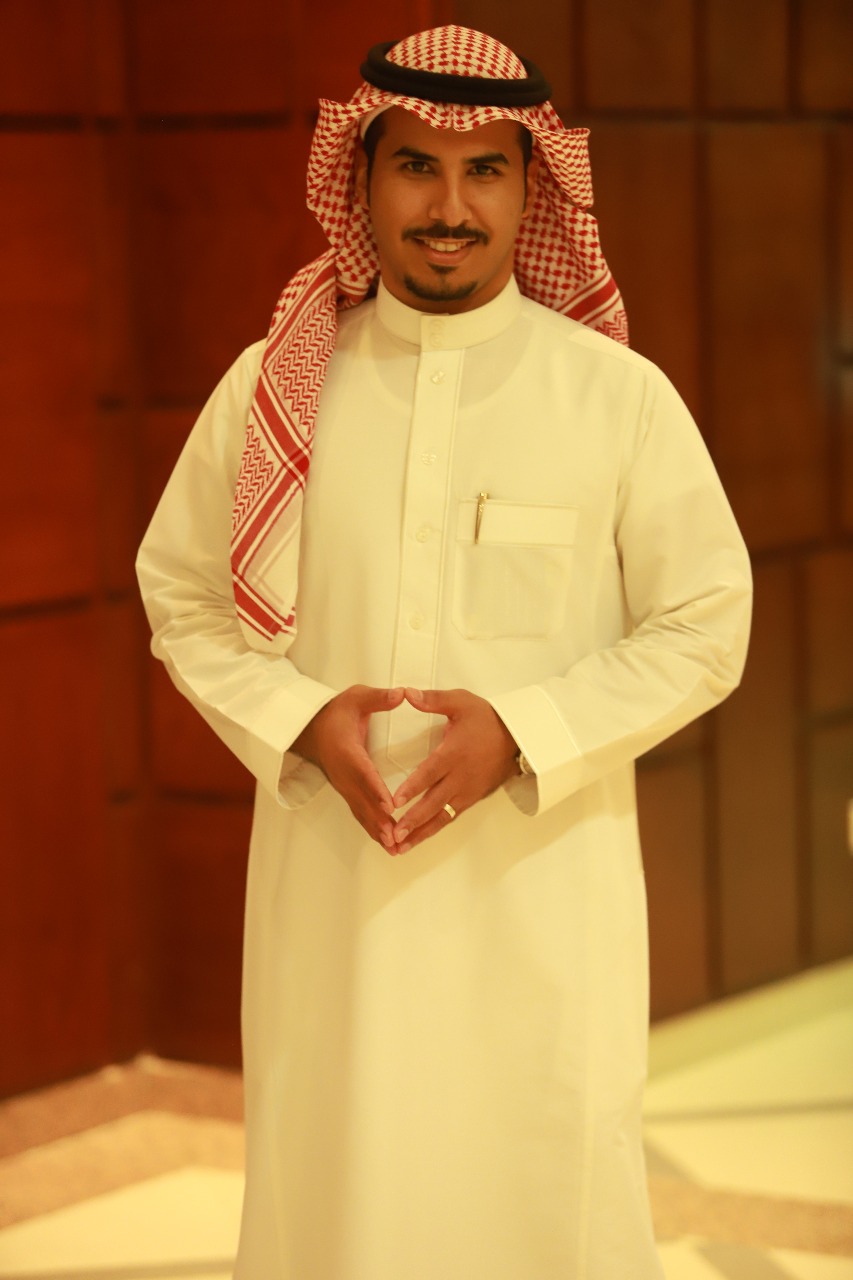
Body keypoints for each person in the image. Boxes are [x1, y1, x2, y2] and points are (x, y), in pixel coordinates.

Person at [136, 24, 752, 1279]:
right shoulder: (273, 391)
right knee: (338, 1197)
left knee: (543, 1190)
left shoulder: (614, 397)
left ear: (534, 189)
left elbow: (706, 621)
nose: (450, 208)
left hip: (540, 904)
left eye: (485, 172)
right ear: (360, 179)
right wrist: (299, 720)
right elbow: (181, 594)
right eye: (416, 166)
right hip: (336, 908)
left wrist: (524, 731)